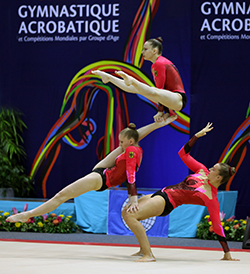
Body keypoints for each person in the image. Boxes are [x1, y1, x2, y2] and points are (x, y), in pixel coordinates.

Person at [6, 114, 177, 223]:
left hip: (102, 177)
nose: (120, 145)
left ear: (129, 143)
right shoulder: (133, 148)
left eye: (122, 142)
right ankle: (158, 125)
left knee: (61, 195)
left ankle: (26, 215)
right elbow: (134, 138)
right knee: (62, 196)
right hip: (104, 172)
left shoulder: (131, 150)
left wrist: (133, 198)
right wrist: (158, 124)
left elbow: (130, 175)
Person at [122, 122, 239, 262]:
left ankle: (149, 254)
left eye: (213, 169)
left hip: (167, 202)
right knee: (126, 211)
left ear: (219, 177)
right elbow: (182, 154)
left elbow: (217, 226)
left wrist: (227, 253)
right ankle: (143, 249)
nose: (210, 168)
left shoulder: (210, 197)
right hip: (162, 192)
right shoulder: (202, 170)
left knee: (131, 216)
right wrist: (196, 136)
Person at [92, 37, 186, 122]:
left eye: (145, 49)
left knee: (151, 90)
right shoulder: (157, 64)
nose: (142, 52)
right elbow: (161, 93)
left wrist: (161, 112)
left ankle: (132, 80)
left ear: (154, 51)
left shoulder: (159, 63)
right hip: (169, 99)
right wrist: (165, 111)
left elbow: (159, 91)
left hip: (178, 98)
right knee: (137, 89)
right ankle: (109, 78)